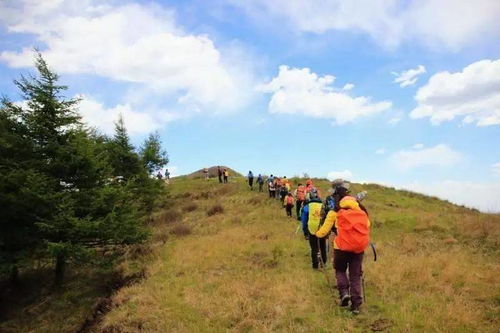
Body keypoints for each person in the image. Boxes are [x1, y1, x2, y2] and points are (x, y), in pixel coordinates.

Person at [315, 182, 371, 315]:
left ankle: (344, 293)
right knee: (355, 276)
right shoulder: (361, 212)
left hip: (341, 247)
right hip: (358, 249)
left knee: (340, 271)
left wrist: (317, 235)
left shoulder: (335, 212)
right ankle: (356, 305)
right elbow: (367, 226)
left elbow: (324, 231)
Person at [301, 188, 326, 270]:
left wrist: (305, 231)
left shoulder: (307, 206)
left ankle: (315, 265)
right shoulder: (323, 205)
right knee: (322, 246)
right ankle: (323, 263)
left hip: (311, 229)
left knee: (314, 247)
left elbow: (304, 220)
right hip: (322, 228)